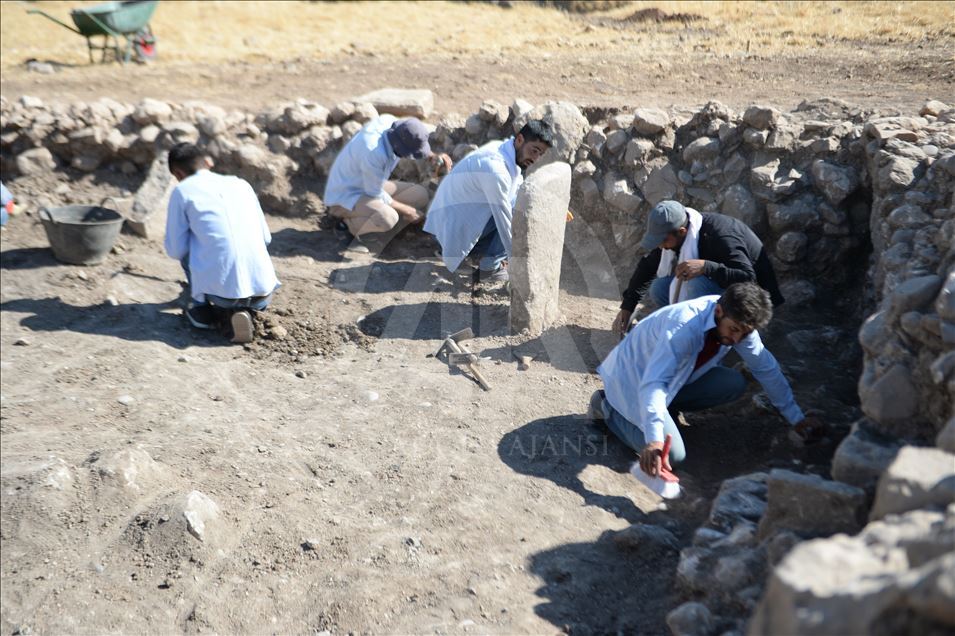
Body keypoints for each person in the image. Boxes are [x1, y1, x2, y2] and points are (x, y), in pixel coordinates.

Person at [592, 282, 824, 478]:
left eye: (744, 333)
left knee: (733, 384)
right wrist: (653, 440)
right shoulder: (684, 327)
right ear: (719, 312)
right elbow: (654, 384)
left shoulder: (739, 326)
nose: (737, 338)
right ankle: (605, 406)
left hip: (671, 381)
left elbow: (766, 368)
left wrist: (796, 417)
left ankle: (666, 412)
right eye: (733, 330)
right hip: (633, 381)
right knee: (672, 455)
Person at [611, 200, 784, 336]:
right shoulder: (677, 237)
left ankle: (699, 338)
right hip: (720, 289)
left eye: (663, 241)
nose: (662, 247)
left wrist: (706, 267)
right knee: (659, 288)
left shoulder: (720, 234)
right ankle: (687, 330)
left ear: (681, 231)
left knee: (696, 285)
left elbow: (748, 278)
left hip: (752, 303)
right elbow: (647, 267)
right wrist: (627, 306)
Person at [164, 142, 280, 344]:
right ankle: (250, 311)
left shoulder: (183, 191)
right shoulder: (241, 184)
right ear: (208, 162)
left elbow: (176, 250)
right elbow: (266, 238)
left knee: (190, 247)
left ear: (178, 174)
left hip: (222, 296)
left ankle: (203, 311)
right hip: (264, 290)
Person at [424, 119, 554, 282]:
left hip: (452, 226)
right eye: (534, 150)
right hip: (451, 233)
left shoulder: (505, 151)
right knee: (520, 211)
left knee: (524, 205)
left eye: (540, 154)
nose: (536, 158)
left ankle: (475, 254)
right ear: (520, 139)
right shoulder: (496, 169)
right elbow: (504, 220)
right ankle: (490, 267)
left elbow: (517, 189)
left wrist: (548, 205)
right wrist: (520, 265)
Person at [324, 115, 451, 252]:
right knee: (388, 218)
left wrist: (432, 156)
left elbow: (412, 136)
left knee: (420, 195)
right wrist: (408, 210)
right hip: (344, 195)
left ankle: (378, 225)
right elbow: (375, 193)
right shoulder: (373, 152)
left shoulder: (394, 126)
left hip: (367, 183)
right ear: (400, 147)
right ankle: (345, 226)